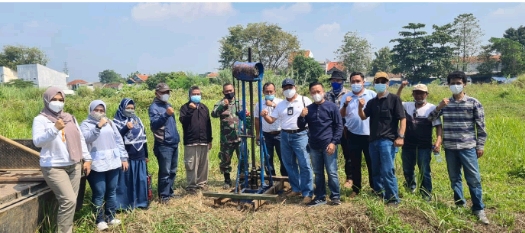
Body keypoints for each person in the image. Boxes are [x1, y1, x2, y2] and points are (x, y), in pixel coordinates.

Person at [428, 71, 489, 224]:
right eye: (452, 83)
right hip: (450, 147)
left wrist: (480, 146)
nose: (455, 86)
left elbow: (481, 128)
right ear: (448, 85)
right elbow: (430, 119)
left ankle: (478, 208)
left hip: (468, 147)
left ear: (464, 84)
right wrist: (439, 107)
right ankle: (460, 205)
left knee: (473, 179)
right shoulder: (446, 103)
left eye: (458, 83)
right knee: (455, 178)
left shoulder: (474, 103)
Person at [32, 87, 92, 233]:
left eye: (61, 100)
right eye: (54, 99)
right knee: (69, 200)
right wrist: (54, 129)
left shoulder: (69, 118)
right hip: (54, 167)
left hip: (74, 165)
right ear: (47, 100)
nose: (58, 102)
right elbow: (37, 142)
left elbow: (80, 138)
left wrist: (87, 158)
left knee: (70, 202)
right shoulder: (40, 119)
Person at [261, 78, 314, 205]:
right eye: (285, 88)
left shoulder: (304, 100)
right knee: (289, 163)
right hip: (285, 135)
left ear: (295, 87)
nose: (288, 90)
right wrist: (264, 115)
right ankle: (296, 188)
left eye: (290, 87)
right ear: (282, 90)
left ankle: (308, 192)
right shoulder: (280, 105)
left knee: (304, 163)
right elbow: (271, 120)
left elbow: (312, 117)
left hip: (300, 135)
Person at [358, 71, 406, 206]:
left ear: (387, 83)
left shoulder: (394, 99)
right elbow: (363, 116)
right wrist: (360, 107)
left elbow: (402, 119)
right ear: (374, 84)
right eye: (377, 82)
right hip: (372, 140)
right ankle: (379, 193)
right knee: (376, 169)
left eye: (383, 82)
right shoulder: (372, 102)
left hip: (387, 141)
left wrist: (401, 136)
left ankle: (393, 198)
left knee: (387, 170)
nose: (380, 84)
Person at [80, 100, 129, 231]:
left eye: (102, 110)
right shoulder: (85, 124)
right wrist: (98, 127)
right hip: (96, 164)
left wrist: (123, 158)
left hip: (112, 162)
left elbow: (118, 140)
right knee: (99, 192)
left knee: (112, 191)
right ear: (91, 110)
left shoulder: (110, 123)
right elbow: (85, 139)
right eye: (97, 110)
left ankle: (110, 216)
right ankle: (99, 219)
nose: (100, 113)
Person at [297, 82, 343, 206]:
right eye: (313, 92)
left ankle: (335, 196)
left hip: (328, 145)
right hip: (314, 146)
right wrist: (301, 116)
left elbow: (339, 126)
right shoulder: (309, 109)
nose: (316, 94)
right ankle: (320, 196)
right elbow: (300, 126)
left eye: (318, 91)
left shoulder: (332, 107)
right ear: (310, 94)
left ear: (323, 92)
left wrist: (333, 143)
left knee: (332, 171)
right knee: (318, 173)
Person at [396, 82, 442, 201]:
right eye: (416, 93)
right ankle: (410, 187)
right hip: (408, 144)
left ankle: (426, 193)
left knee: (424, 170)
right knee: (407, 169)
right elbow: (396, 100)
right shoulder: (407, 105)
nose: (419, 96)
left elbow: (438, 126)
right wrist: (401, 87)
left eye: (421, 94)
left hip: (424, 145)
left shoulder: (432, 108)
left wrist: (438, 142)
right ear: (413, 94)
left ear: (426, 94)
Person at [339, 71, 377, 197]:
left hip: (369, 135)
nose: (355, 84)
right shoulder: (346, 97)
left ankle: (375, 187)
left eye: (358, 81)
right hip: (352, 134)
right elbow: (341, 115)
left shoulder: (371, 94)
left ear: (363, 82)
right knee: (354, 163)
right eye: (353, 82)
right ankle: (356, 189)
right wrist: (345, 104)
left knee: (372, 162)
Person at [113, 98, 150, 210]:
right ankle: (124, 205)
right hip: (127, 156)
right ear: (122, 108)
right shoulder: (116, 122)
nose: (130, 110)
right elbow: (115, 138)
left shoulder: (137, 120)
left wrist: (146, 155)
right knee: (126, 181)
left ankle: (141, 203)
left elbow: (144, 137)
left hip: (139, 155)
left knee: (141, 180)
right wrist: (125, 128)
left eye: (132, 108)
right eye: (127, 108)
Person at [149, 83, 181, 203]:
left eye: (167, 92)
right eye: (163, 92)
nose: (166, 94)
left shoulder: (168, 104)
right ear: (157, 93)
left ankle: (170, 192)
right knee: (165, 171)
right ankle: (163, 196)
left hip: (173, 141)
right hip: (163, 144)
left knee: (173, 170)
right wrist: (166, 114)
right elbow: (154, 125)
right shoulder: (154, 107)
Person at [211, 83, 247, 189]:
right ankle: (227, 180)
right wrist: (223, 105)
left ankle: (241, 179)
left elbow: (246, 116)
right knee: (225, 160)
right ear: (223, 92)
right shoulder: (220, 103)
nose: (229, 93)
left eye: (230, 90)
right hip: (227, 139)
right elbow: (214, 114)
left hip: (240, 136)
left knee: (243, 158)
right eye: (226, 91)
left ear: (234, 90)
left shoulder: (239, 102)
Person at [179, 86, 213, 195]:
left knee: (203, 164)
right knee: (191, 164)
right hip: (191, 141)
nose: (197, 96)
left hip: (204, 140)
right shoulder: (185, 108)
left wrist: (210, 139)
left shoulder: (204, 108)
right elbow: (183, 121)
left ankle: (201, 184)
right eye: (194, 94)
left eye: (198, 94)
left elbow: (208, 124)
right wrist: (190, 110)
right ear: (190, 95)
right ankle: (191, 186)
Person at [324, 71, 352, 189]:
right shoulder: (326, 95)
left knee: (348, 154)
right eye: (333, 80)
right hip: (331, 128)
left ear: (342, 81)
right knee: (330, 152)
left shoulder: (348, 94)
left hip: (346, 128)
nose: (335, 83)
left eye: (338, 80)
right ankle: (332, 179)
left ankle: (350, 178)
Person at [254, 82, 287, 177]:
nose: (269, 94)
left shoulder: (281, 102)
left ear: (275, 91)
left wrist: (273, 105)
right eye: (267, 92)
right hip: (266, 134)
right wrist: (257, 135)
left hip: (280, 133)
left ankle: (285, 178)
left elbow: (284, 114)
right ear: (263, 92)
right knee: (267, 158)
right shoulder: (259, 104)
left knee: (283, 157)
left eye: (271, 91)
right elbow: (256, 120)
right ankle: (271, 178)